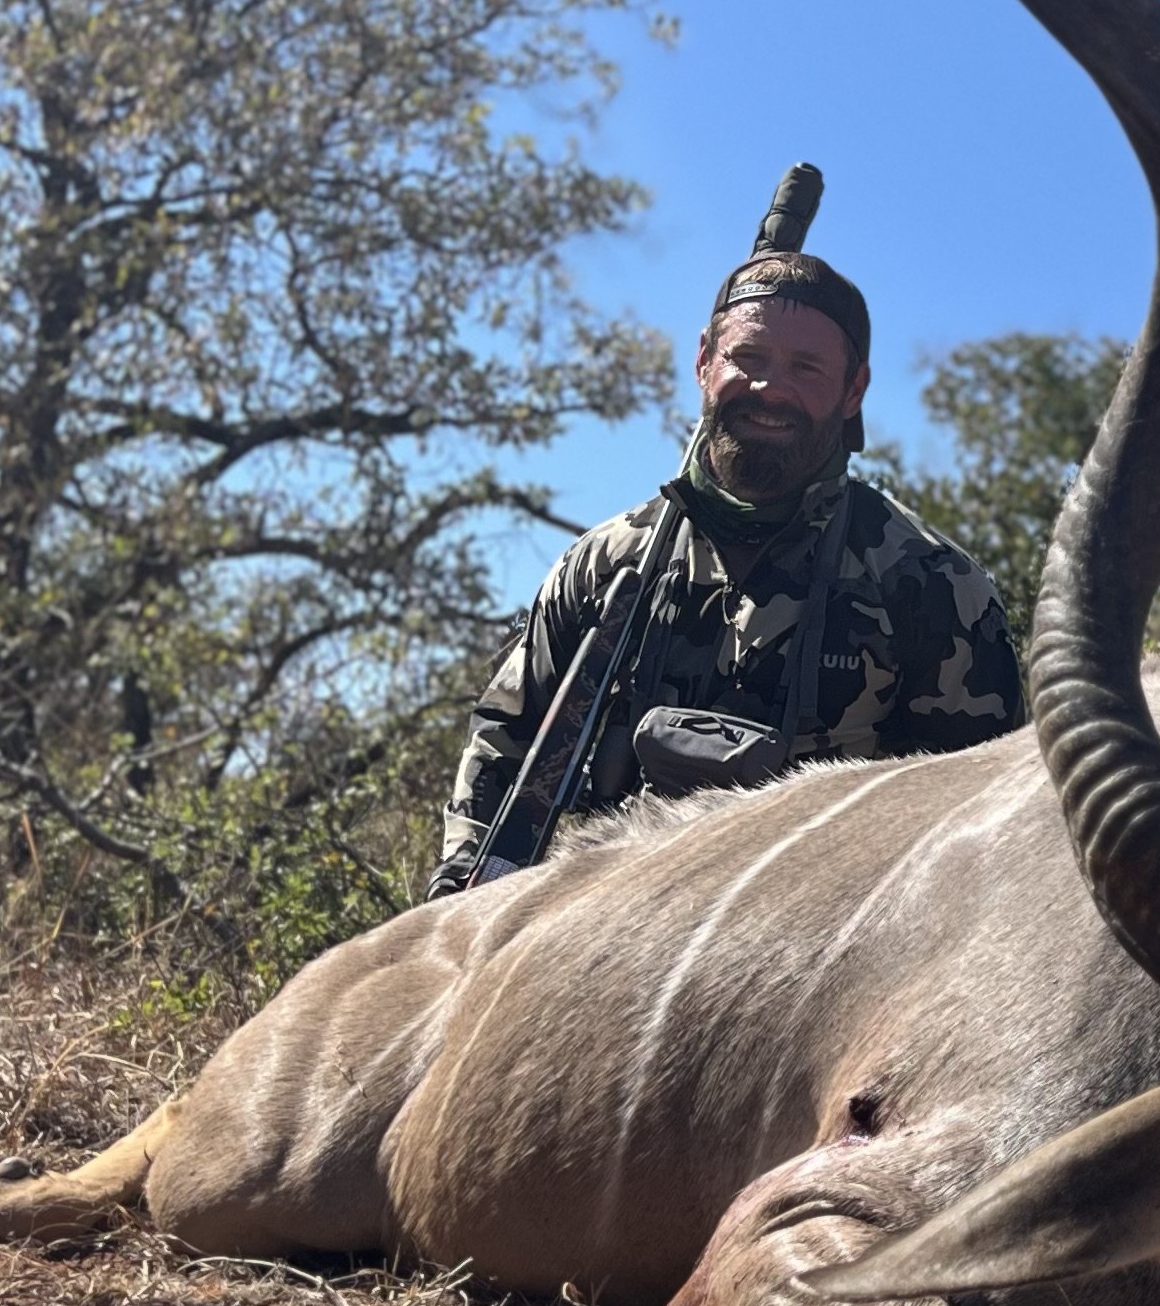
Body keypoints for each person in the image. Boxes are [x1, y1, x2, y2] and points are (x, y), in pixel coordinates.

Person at [431, 168, 1020, 895]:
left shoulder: (932, 589)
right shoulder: (605, 565)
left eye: (807, 368)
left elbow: (988, 832)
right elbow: (504, 737)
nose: (771, 388)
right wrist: (465, 886)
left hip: (812, 964)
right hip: (589, 938)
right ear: (705, 360)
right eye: (748, 358)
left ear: (853, 392)